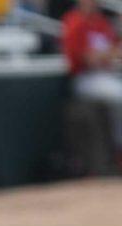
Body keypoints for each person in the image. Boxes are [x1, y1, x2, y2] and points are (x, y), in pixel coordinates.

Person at [61, 0, 122, 152]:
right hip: (84, 78)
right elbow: (87, 59)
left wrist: (109, 54)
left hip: (107, 75)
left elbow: (116, 52)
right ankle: (119, 150)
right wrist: (109, 54)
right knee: (119, 94)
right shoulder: (73, 21)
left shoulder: (100, 22)